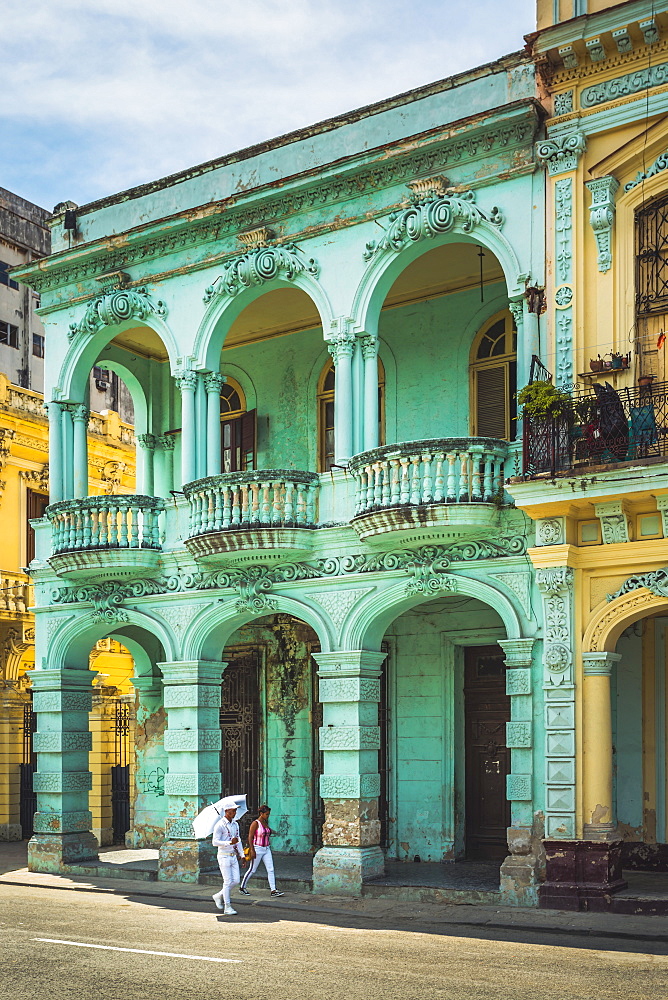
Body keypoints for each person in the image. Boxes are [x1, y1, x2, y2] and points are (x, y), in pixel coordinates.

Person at [239, 804, 284, 897]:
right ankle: (242, 887)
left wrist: (276, 832)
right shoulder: (255, 823)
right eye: (266, 814)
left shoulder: (265, 822)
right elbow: (250, 837)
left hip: (266, 848)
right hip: (257, 848)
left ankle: (273, 890)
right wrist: (252, 850)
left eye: (268, 814)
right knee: (252, 869)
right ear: (261, 813)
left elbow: (268, 831)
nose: (268, 816)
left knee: (270, 869)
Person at [212, 802, 247, 914]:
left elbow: (238, 840)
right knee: (227, 881)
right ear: (226, 811)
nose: (235, 812)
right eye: (233, 810)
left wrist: (242, 855)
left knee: (236, 880)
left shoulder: (235, 825)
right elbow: (214, 842)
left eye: (235, 810)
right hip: (224, 856)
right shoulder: (219, 825)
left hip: (233, 856)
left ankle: (218, 895)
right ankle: (227, 907)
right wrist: (228, 842)